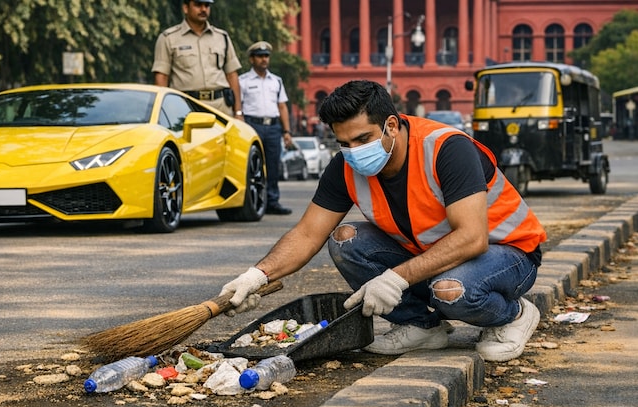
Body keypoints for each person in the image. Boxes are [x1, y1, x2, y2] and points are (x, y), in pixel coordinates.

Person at [218, 80, 547, 363]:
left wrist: (395, 278)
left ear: (391, 125)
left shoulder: (446, 149)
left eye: (363, 139)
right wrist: (257, 276)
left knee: (451, 292)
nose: (354, 151)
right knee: (345, 239)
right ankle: (421, 327)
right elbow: (307, 233)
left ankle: (514, 315)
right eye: (343, 143)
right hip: (435, 257)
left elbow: (472, 238)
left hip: (507, 254)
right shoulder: (346, 166)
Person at [152, 0, 242, 118]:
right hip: (185, 107)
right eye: (198, 5)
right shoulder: (168, 38)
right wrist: (163, 113)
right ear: (185, 8)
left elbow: (232, 75)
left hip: (221, 108)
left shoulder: (222, 37)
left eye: (207, 5)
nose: (203, 9)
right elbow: (162, 77)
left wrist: (238, 112)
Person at [239, 41, 293, 215]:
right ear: (251, 59)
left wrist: (286, 131)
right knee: (251, 166)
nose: (264, 59)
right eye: (260, 56)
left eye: (266, 56)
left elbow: (282, 106)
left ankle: (272, 201)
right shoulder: (242, 81)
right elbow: (237, 106)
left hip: (272, 127)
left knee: (272, 165)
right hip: (251, 125)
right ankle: (251, 201)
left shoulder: (276, 81)